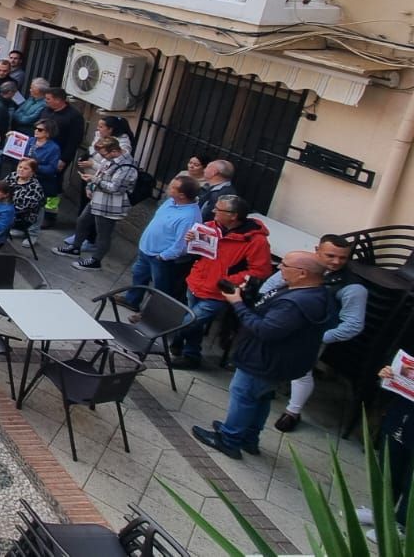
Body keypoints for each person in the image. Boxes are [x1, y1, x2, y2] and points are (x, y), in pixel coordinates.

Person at [192, 252, 335, 460]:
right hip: (282, 361)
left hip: (265, 360)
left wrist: (237, 304)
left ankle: (229, 439)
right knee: (261, 397)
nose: (280, 268)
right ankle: (249, 438)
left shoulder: (296, 303)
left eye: (285, 265)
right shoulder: (317, 294)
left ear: (303, 273)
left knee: (244, 395)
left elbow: (265, 330)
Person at [271, 235, 366, 433]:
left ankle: (292, 413)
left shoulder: (353, 287)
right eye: (330, 255)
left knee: (301, 372)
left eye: (343, 257)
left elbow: (353, 325)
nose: (336, 261)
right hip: (281, 322)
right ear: (317, 250)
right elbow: (271, 286)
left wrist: (319, 338)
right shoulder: (300, 264)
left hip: (312, 335)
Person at [172, 194, 274, 370]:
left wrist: (226, 281)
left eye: (218, 209)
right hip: (196, 282)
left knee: (189, 322)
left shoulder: (256, 241)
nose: (213, 211)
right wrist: (191, 241)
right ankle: (190, 355)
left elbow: (261, 271)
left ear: (233, 215)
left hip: (218, 293)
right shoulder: (210, 227)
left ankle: (179, 342)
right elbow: (198, 254)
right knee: (194, 323)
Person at [120, 175, 203, 308]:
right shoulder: (170, 201)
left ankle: (152, 314)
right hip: (146, 249)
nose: (168, 187)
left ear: (182, 195)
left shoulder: (189, 217)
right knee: (138, 275)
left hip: (161, 258)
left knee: (160, 289)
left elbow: (182, 245)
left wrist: (163, 256)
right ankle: (132, 301)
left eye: (172, 187)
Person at [55, 136, 138, 268]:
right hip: (97, 198)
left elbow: (115, 189)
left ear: (114, 151)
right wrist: (90, 186)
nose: (103, 157)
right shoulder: (109, 159)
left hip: (110, 205)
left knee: (103, 233)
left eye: (104, 154)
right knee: (82, 221)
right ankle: (75, 248)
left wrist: (94, 180)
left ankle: (96, 261)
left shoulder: (127, 167)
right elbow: (100, 174)